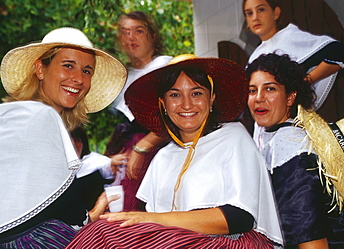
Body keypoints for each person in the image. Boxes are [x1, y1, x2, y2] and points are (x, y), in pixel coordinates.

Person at [66, 54, 284, 248]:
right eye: (175, 95)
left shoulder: (233, 137)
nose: (186, 105)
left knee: (105, 233)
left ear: (212, 99)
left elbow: (239, 218)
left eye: (196, 93)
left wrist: (156, 220)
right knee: (100, 231)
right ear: (163, 104)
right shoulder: (164, 157)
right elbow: (151, 222)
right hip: (177, 241)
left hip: (233, 242)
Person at [0, 27, 127, 247]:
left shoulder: (16, 115)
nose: (78, 78)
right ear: (40, 69)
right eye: (68, 66)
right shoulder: (42, 115)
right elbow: (65, 207)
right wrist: (93, 214)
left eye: (87, 71)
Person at [245, 52, 344, 248]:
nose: (259, 98)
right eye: (252, 90)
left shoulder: (290, 147)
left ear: (290, 97)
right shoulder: (282, 136)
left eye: (270, 89)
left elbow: (311, 240)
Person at [242, 0, 344, 123]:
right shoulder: (255, 56)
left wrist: (305, 81)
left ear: (276, 13)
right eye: (249, 13)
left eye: (261, 10)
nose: (255, 17)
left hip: (298, 125)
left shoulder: (291, 37)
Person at [108, 11, 173, 211]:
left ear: (152, 36)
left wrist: (141, 148)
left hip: (160, 150)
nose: (131, 37)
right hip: (129, 154)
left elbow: (173, 120)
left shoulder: (166, 66)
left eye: (139, 31)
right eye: (125, 32)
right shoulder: (121, 77)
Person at [71, 126, 126, 211]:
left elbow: (109, 166)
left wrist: (113, 162)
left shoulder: (95, 161)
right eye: (69, 141)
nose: (74, 145)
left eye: (77, 140)